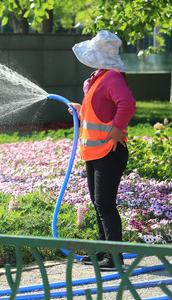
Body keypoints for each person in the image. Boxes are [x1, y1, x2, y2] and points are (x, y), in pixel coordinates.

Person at [68, 30, 137, 271]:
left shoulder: (112, 78)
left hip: (110, 151)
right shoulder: (100, 77)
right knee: (98, 203)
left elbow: (127, 104)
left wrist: (118, 128)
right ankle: (103, 251)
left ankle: (114, 258)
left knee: (105, 203)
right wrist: (80, 108)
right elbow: (101, 110)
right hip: (97, 152)